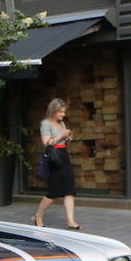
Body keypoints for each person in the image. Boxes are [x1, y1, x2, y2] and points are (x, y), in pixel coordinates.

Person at [33, 98, 81, 230]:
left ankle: (71, 221)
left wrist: (68, 138)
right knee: (53, 192)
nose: (63, 115)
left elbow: (63, 143)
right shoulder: (46, 124)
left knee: (69, 190)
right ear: (53, 110)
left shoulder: (62, 124)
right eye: (60, 112)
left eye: (64, 112)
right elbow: (47, 143)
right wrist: (61, 135)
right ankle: (38, 215)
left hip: (64, 156)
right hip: (54, 159)